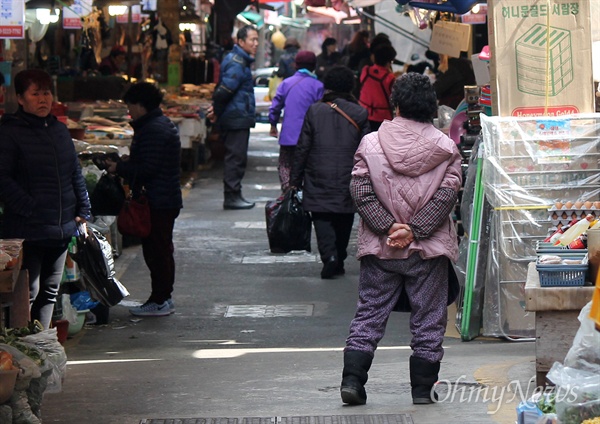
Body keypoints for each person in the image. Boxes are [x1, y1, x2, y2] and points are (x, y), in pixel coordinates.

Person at [340, 73, 462, 406]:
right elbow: (446, 197)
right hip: (428, 251)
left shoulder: (370, 144)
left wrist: (388, 227)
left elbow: (361, 191)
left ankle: (352, 381)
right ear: (432, 108)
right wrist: (414, 230)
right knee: (430, 318)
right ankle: (422, 390)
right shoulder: (447, 148)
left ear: (395, 105)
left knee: (369, 313)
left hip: (381, 248)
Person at [0, 69, 91, 330]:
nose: (43, 99)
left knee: (50, 291)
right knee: (26, 292)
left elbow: (75, 172)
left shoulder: (60, 131)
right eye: (35, 93)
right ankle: (20, 346)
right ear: (20, 98)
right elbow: (2, 179)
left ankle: (41, 346)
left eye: (46, 93)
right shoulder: (9, 133)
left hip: (61, 227)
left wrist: (83, 208)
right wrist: (30, 207)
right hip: (27, 230)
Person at [105, 82, 182, 317]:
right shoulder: (156, 125)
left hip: (158, 200)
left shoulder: (153, 129)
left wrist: (119, 167)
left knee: (157, 251)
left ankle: (160, 300)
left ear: (140, 105)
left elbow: (149, 168)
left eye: (130, 105)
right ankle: (162, 298)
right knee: (159, 249)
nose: (129, 111)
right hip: (163, 197)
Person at [289, 66, 370, 279]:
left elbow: (303, 147)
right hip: (348, 174)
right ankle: (340, 257)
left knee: (321, 216)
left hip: (318, 173)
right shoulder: (360, 113)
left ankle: (330, 257)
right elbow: (366, 149)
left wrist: (294, 179)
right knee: (344, 217)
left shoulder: (314, 111)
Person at [208, 25, 259, 210]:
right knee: (235, 158)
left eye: (257, 39)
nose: (256, 43)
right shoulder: (237, 61)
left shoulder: (241, 61)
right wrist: (217, 110)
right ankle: (231, 196)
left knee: (237, 157)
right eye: (252, 40)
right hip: (235, 117)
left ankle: (235, 194)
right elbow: (225, 91)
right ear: (241, 41)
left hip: (237, 115)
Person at [269, 51, 324, 191]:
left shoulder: (286, 83)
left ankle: (289, 192)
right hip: (311, 136)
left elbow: (275, 106)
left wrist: (273, 124)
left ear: (295, 66)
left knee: (285, 164)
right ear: (314, 66)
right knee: (308, 165)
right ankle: (304, 193)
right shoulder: (318, 86)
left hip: (289, 135)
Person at [358, 44, 397, 131]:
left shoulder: (366, 71)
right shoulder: (389, 78)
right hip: (382, 118)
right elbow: (394, 96)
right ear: (388, 62)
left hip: (363, 113)